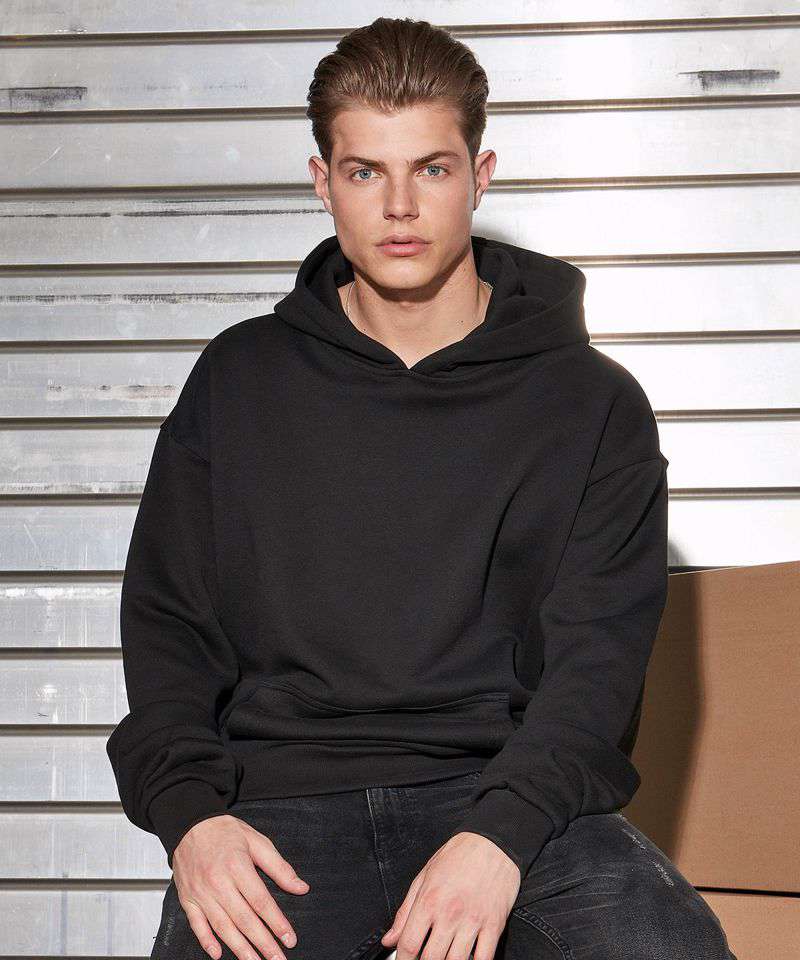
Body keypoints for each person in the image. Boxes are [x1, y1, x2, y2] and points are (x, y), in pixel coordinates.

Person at [107, 16, 737, 960]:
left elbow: (597, 665)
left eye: (431, 169)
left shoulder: (591, 403)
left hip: (504, 797)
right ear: (323, 182)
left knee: (665, 944)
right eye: (366, 171)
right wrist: (193, 821)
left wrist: (499, 837)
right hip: (281, 802)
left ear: (480, 175)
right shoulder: (239, 381)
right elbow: (167, 627)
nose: (400, 206)